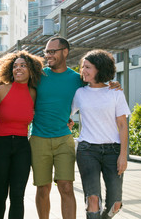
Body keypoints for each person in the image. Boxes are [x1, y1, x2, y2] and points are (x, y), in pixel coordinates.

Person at [30, 36, 120, 219]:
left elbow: (98, 86)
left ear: (65, 52)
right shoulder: (39, 76)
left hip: (64, 139)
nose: (48, 55)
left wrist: (113, 84)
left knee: (66, 187)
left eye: (52, 51)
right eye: (46, 51)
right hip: (38, 137)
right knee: (43, 187)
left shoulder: (77, 78)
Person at [71, 50, 130, 219]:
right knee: (93, 199)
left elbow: (122, 125)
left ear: (100, 69)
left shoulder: (115, 92)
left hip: (113, 151)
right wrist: (67, 122)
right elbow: (66, 114)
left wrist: (123, 156)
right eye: (83, 67)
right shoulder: (80, 93)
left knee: (115, 204)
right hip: (87, 151)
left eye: (88, 67)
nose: (83, 70)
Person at [0, 51, 44, 219]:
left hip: (22, 146)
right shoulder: (0, 90)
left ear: (31, 70)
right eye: (15, 66)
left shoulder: (34, 93)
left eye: (23, 65)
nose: (18, 69)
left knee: (17, 196)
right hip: (0, 144)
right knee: (0, 195)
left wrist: (67, 120)